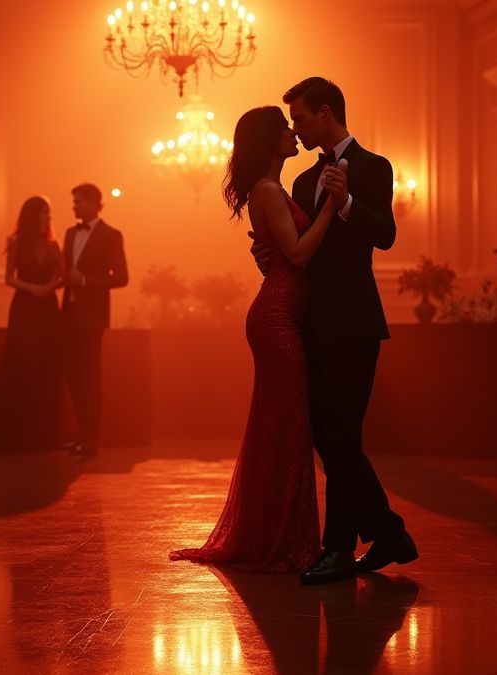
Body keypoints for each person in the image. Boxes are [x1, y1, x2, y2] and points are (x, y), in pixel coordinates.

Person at [254, 77, 417, 584]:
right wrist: (271, 260)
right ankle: (388, 533)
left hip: (354, 322)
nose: (295, 129)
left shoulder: (374, 167)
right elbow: (302, 254)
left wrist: (346, 204)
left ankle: (339, 549)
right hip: (310, 325)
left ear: (326, 114)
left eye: (300, 118)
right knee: (328, 436)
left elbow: (386, 235)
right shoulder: (303, 182)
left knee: (341, 434)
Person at [171, 105, 341, 572]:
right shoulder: (267, 190)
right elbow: (301, 255)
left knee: (281, 429)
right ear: (270, 141)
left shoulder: (273, 189)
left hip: (282, 314)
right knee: (288, 429)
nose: (293, 133)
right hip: (276, 318)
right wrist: (330, 206)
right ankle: (285, 539)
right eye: (285, 128)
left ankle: (277, 533)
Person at [59, 183, 128, 458]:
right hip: (69, 316)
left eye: (78, 201)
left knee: (89, 377)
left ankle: (91, 438)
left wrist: (85, 280)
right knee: (74, 376)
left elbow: (121, 277)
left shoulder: (111, 235)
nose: (74, 205)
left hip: (91, 318)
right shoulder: (68, 233)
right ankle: (79, 436)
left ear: (93, 203)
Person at [0, 196, 64, 452]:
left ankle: (48, 431)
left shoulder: (53, 244)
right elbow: (8, 278)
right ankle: (21, 431)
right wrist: (33, 288)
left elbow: (61, 274)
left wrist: (49, 286)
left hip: (47, 307)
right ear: (32, 215)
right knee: (24, 361)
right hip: (25, 307)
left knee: (47, 363)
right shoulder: (16, 243)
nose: (49, 217)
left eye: (49, 213)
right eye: (44, 213)